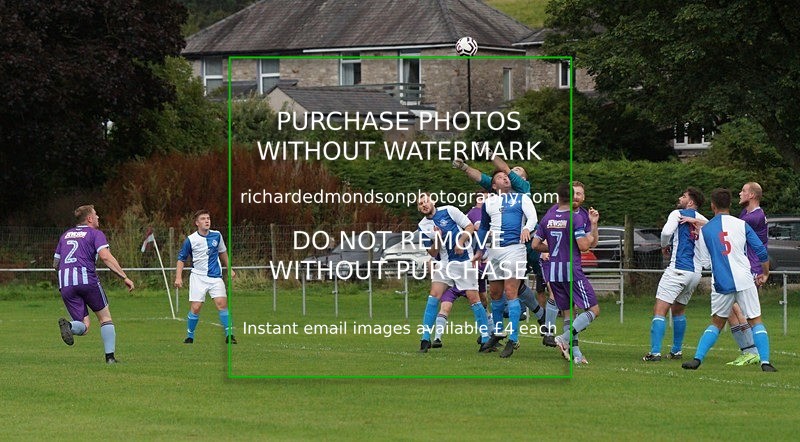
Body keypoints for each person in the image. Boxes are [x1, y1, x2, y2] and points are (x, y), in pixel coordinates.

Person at [681, 189, 776, 372]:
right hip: (744, 279)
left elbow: (705, 262)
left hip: (722, 282)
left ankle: (697, 359)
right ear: (730, 205)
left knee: (716, 323)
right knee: (756, 320)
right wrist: (765, 272)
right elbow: (761, 251)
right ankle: (765, 362)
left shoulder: (706, 230)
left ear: (712, 206)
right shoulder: (741, 224)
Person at [453, 157, 545, 326]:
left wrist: (490, 153)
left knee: (547, 282)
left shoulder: (522, 189)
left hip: (529, 243)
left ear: (522, 179)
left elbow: (503, 168)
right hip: (508, 247)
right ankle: (533, 317)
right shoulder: (498, 193)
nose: (509, 174)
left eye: (515, 172)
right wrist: (464, 167)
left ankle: (552, 319)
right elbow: (480, 177)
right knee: (510, 286)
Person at [54, 204, 134, 364]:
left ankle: (69, 326)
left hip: (66, 283)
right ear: (89, 218)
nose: (98, 218)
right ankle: (110, 358)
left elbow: (56, 263)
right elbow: (105, 256)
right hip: (87, 280)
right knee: (105, 318)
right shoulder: (95, 234)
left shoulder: (65, 235)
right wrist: (124, 276)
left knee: (84, 326)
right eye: (96, 215)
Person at [532, 183, 600, 364]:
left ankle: (576, 355)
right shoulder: (574, 218)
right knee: (593, 310)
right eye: (574, 193)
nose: (577, 197)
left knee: (570, 313)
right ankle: (563, 338)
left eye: (580, 194)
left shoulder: (549, 217)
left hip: (554, 272)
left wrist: (592, 225)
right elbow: (585, 246)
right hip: (570, 270)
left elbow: (535, 245)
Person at [416, 193, 491, 353]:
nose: (424, 205)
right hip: (444, 264)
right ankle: (425, 339)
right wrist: (437, 239)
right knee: (433, 295)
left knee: (474, 299)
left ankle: (485, 339)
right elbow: (432, 252)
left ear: (433, 201)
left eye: (426, 201)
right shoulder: (422, 226)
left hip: (465, 261)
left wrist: (460, 241)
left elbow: (470, 227)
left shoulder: (449, 210)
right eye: (420, 203)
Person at [474, 171, 537, 358]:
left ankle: (514, 338)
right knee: (495, 293)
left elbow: (533, 217)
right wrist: (480, 249)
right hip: (494, 251)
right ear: (494, 186)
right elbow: (484, 227)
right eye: (500, 177)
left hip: (515, 249)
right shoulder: (489, 202)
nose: (505, 178)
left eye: (506, 176)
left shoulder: (521, 197)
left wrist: (527, 228)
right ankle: (499, 332)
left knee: (511, 292)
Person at [643, 188, 707, 362]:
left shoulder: (677, 213)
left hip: (678, 269)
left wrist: (664, 245)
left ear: (691, 202)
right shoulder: (702, 220)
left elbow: (665, 232)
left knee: (659, 310)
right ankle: (676, 351)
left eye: (684, 196)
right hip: (695, 273)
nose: (680, 198)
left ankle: (655, 353)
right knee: (678, 310)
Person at [175, 210, 236, 344]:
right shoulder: (191, 240)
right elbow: (181, 259)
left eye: (208, 218)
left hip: (215, 276)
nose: (207, 221)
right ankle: (190, 336)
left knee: (222, 304)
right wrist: (178, 277)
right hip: (198, 277)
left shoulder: (217, 235)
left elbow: (223, 252)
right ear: (197, 223)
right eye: (203, 219)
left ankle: (229, 335)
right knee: (196, 307)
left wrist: (229, 268)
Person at [725, 182, 767, 366]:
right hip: (743, 267)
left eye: (743, 191)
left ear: (751, 195)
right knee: (729, 309)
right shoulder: (746, 214)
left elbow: (728, 226)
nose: (739, 193)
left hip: (752, 268)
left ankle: (753, 351)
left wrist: (702, 222)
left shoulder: (755, 217)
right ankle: (747, 350)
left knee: (743, 311)